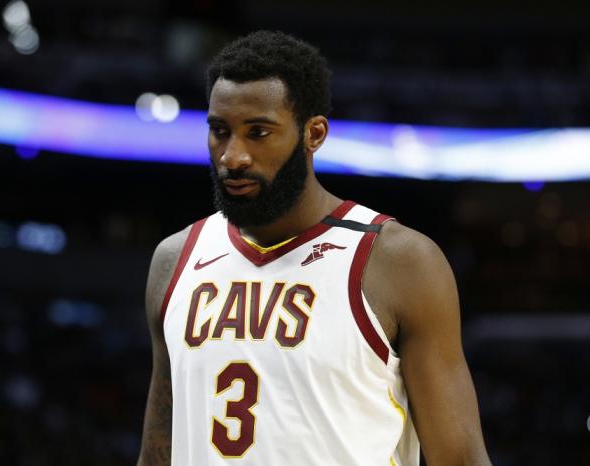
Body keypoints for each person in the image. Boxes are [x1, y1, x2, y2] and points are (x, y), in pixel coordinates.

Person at [137, 30, 491, 466]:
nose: (232, 156)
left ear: (314, 133)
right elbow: (158, 452)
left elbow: (460, 458)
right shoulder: (175, 260)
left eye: (258, 132)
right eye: (220, 131)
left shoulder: (398, 261)